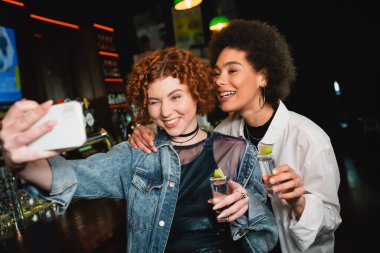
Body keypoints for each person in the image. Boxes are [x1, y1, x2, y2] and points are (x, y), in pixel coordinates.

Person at [0, 47, 278, 253]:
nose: (165, 111)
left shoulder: (239, 151)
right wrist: (20, 163)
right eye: (154, 102)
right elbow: (72, 176)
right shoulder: (137, 154)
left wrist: (248, 207)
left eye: (176, 97)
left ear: (196, 92)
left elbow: (266, 239)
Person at [129, 20, 342, 253]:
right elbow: (183, 136)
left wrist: (299, 202)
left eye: (232, 71)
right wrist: (148, 133)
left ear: (263, 76)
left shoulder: (308, 137)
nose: (219, 81)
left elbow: (331, 221)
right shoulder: (222, 134)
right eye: (217, 73)